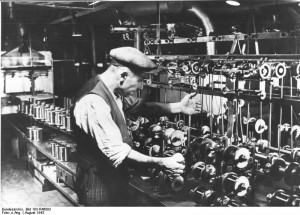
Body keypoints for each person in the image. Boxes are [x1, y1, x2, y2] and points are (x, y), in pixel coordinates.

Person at [72, 46, 202, 206]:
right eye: (140, 80)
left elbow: (141, 108)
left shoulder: (113, 90)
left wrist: (179, 107)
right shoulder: (94, 102)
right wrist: (161, 162)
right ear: (123, 76)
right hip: (98, 182)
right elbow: (117, 152)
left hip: (114, 176)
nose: (141, 86)